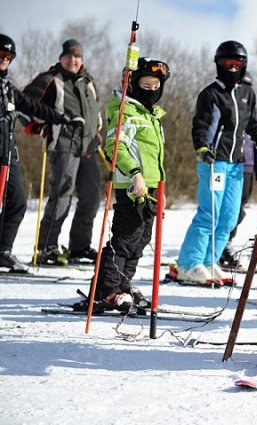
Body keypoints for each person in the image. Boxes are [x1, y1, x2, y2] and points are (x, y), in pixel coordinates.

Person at [76, 57, 170, 311]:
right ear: (132, 84)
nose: (151, 91)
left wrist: (159, 187)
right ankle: (107, 289)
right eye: (145, 85)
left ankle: (123, 283)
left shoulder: (152, 116)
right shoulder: (125, 111)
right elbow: (115, 147)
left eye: (155, 87)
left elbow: (156, 156)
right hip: (132, 184)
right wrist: (136, 174)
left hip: (150, 187)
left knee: (140, 239)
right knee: (125, 239)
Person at [176, 40, 257, 285]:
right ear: (218, 64)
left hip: (237, 164)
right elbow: (201, 126)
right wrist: (202, 148)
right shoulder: (211, 94)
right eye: (227, 63)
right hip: (214, 162)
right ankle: (189, 263)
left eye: (236, 63)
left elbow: (252, 125)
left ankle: (209, 261)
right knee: (210, 213)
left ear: (243, 65)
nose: (232, 67)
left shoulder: (247, 93)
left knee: (229, 217)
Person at [0, 34, 81, 273]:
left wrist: (63, 119)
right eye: (1, 55)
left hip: (7, 155)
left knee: (17, 203)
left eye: (9, 56)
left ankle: (3, 251)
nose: (5, 59)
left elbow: (32, 105)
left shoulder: (7, 87)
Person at [23, 39, 102, 266]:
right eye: (68, 56)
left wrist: (96, 132)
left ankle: (79, 247)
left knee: (91, 197)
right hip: (63, 144)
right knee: (61, 196)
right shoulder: (50, 79)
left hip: (88, 147)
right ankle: (47, 247)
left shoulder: (89, 82)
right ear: (61, 58)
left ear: (82, 60)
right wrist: (39, 126)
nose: (72, 60)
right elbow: (23, 103)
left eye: (77, 56)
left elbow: (96, 111)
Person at [218, 133, 257, 272]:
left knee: (238, 209)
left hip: (247, 169)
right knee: (228, 209)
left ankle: (225, 242)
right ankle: (221, 244)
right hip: (229, 165)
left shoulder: (249, 124)